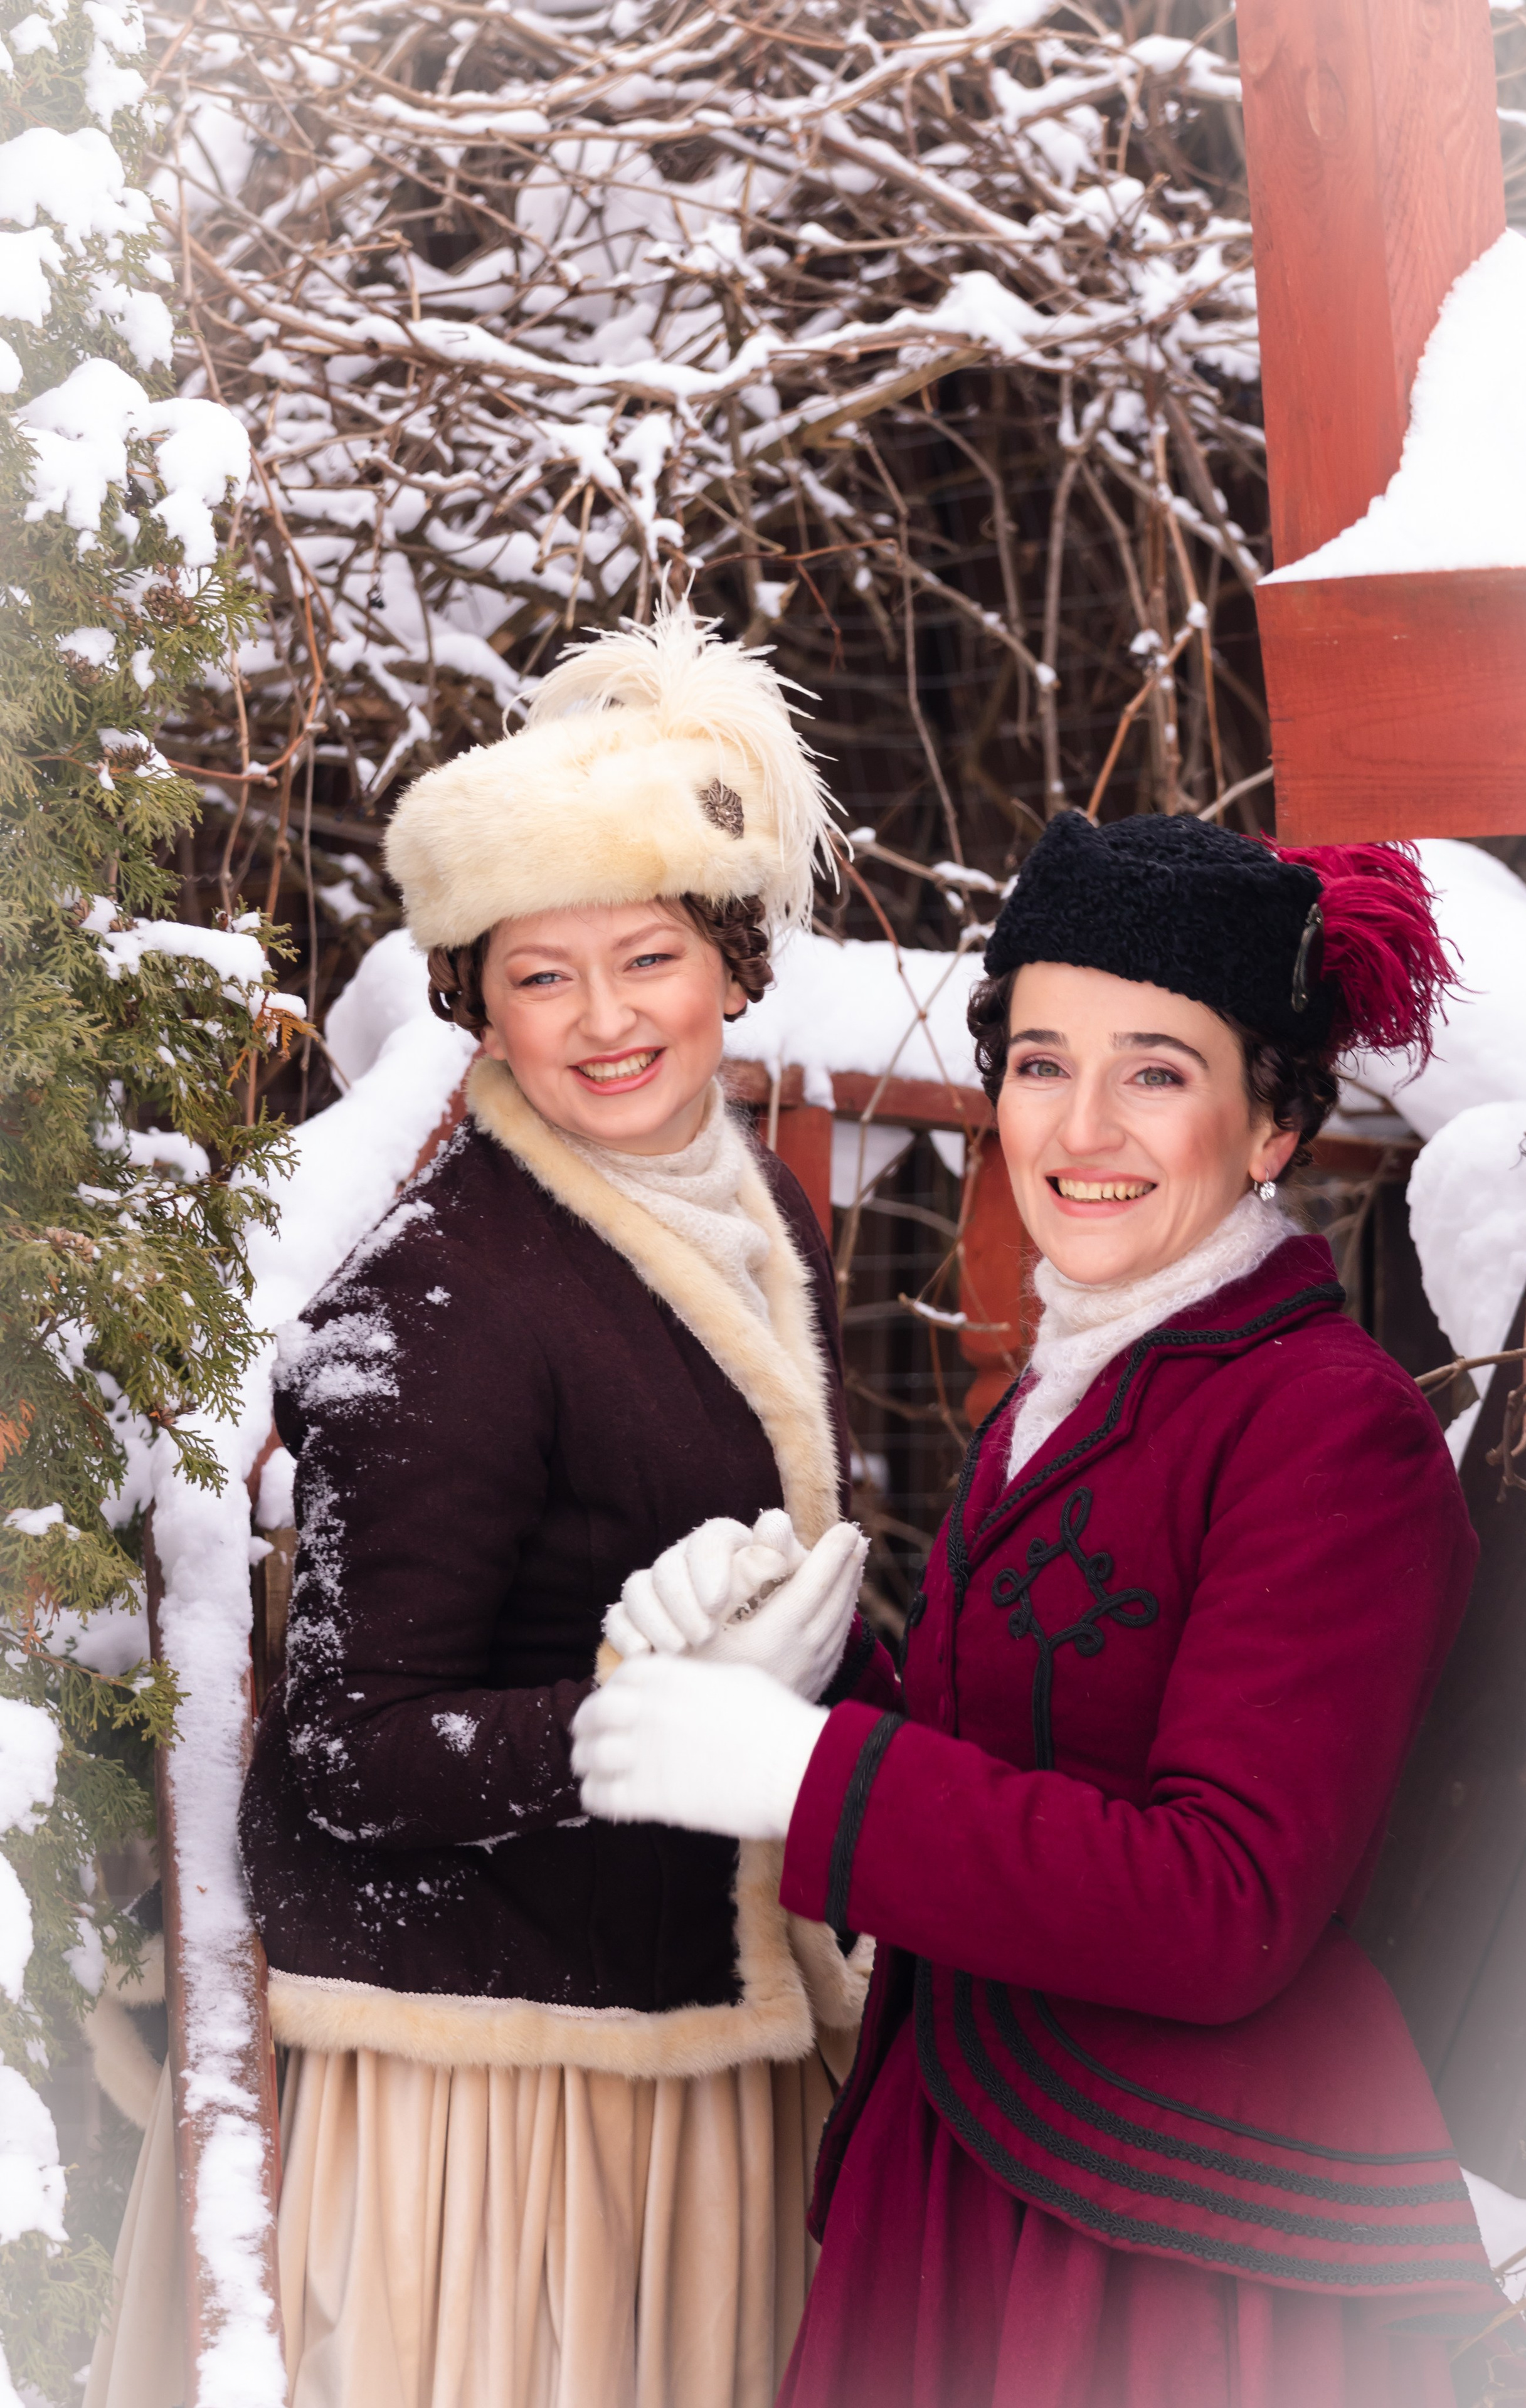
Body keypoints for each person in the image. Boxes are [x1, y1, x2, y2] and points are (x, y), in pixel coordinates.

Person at [572, 813, 1511, 2408]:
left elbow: (1222, 1905)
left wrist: (804, 1778)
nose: (1080, 1127)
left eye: (1154, 1070)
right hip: (969, 2175)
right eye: (1037, 1061)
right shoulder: (1080, 1378)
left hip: (1170, 2259)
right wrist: (805, 1693)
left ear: (1271, 1123)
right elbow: (1013, 1785)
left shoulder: (1321, 1427)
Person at [87, 601, 897, 2408]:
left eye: (649, 958)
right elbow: (355, 1756)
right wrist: (646, 1719)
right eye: (543, 974)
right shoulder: (438, 1304)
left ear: (730, 960)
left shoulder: (762, 1213)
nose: (607, 1022)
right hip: (493, 2097)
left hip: (685, 2020)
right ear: (474, 996)